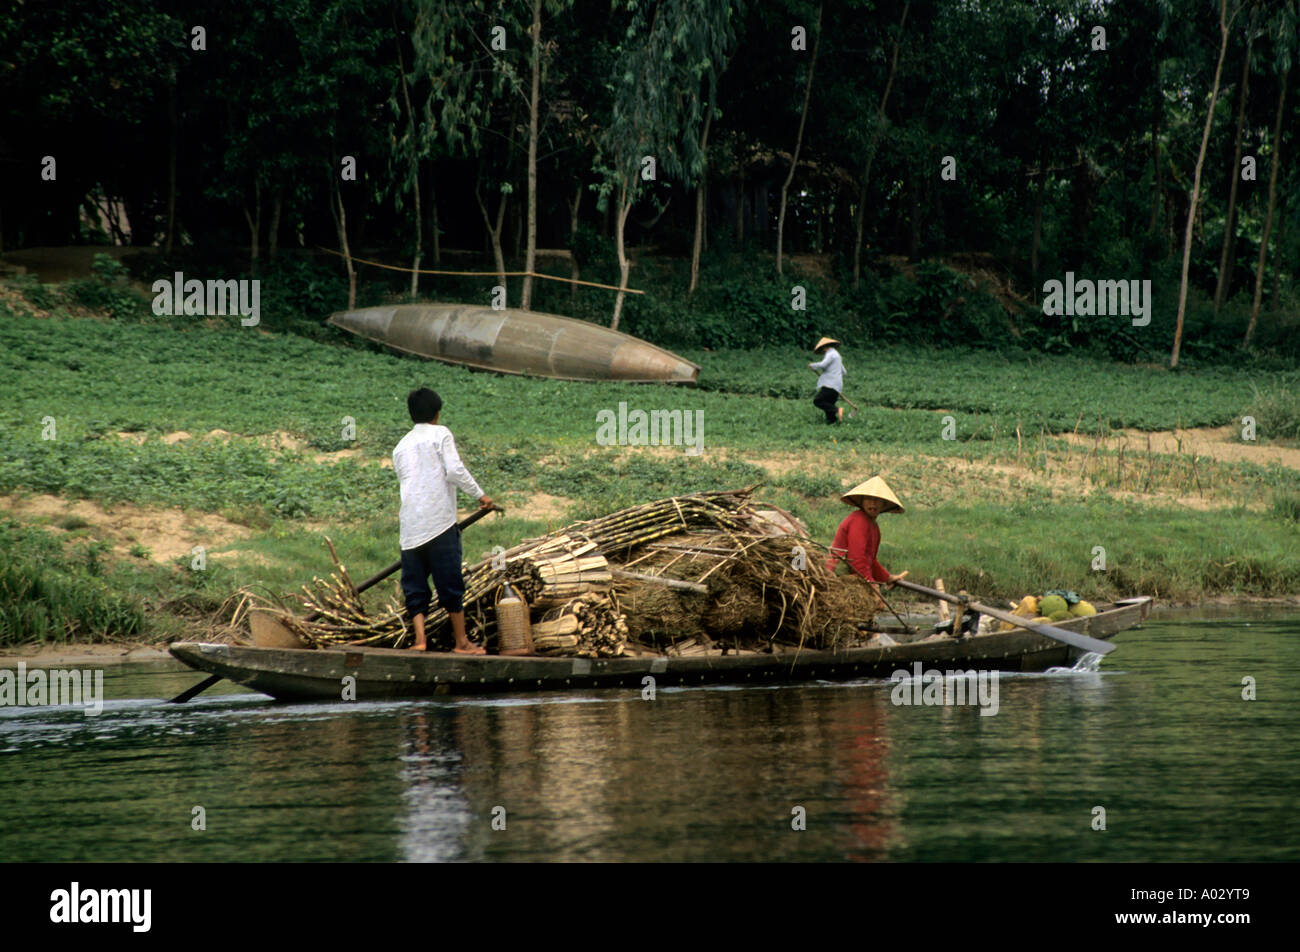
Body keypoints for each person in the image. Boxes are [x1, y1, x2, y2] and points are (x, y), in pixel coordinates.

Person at [393, 387, 493, 654]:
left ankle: (420, 640)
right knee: (449, 583)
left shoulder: (400, 446)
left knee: (414, 585)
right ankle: (462, 642)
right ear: (437, 414)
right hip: (439, 522)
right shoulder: (441, 434)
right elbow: (455, 470)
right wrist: (480, 496)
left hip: (411, 526)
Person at [825, 476, 908, 589]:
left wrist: (887, 577)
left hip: (854, 572)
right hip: (839, 573)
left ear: (884, 505)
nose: (873, 504)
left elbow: (870, 560)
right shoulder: (859, 520)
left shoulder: (874, 527)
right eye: (868, 499)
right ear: (862, 502)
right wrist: (870, 583)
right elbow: (856, 558)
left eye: (877, 500)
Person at [809, 336, 845, 424]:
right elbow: (844, 372)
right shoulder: (837, 355)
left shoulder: (830, 354)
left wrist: (813, 365)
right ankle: (833, 423)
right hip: (837, 385)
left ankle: (837, 410)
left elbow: (823, 365)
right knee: (828, 408)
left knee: (818, 400)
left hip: (830, 384)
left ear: (825, 347)